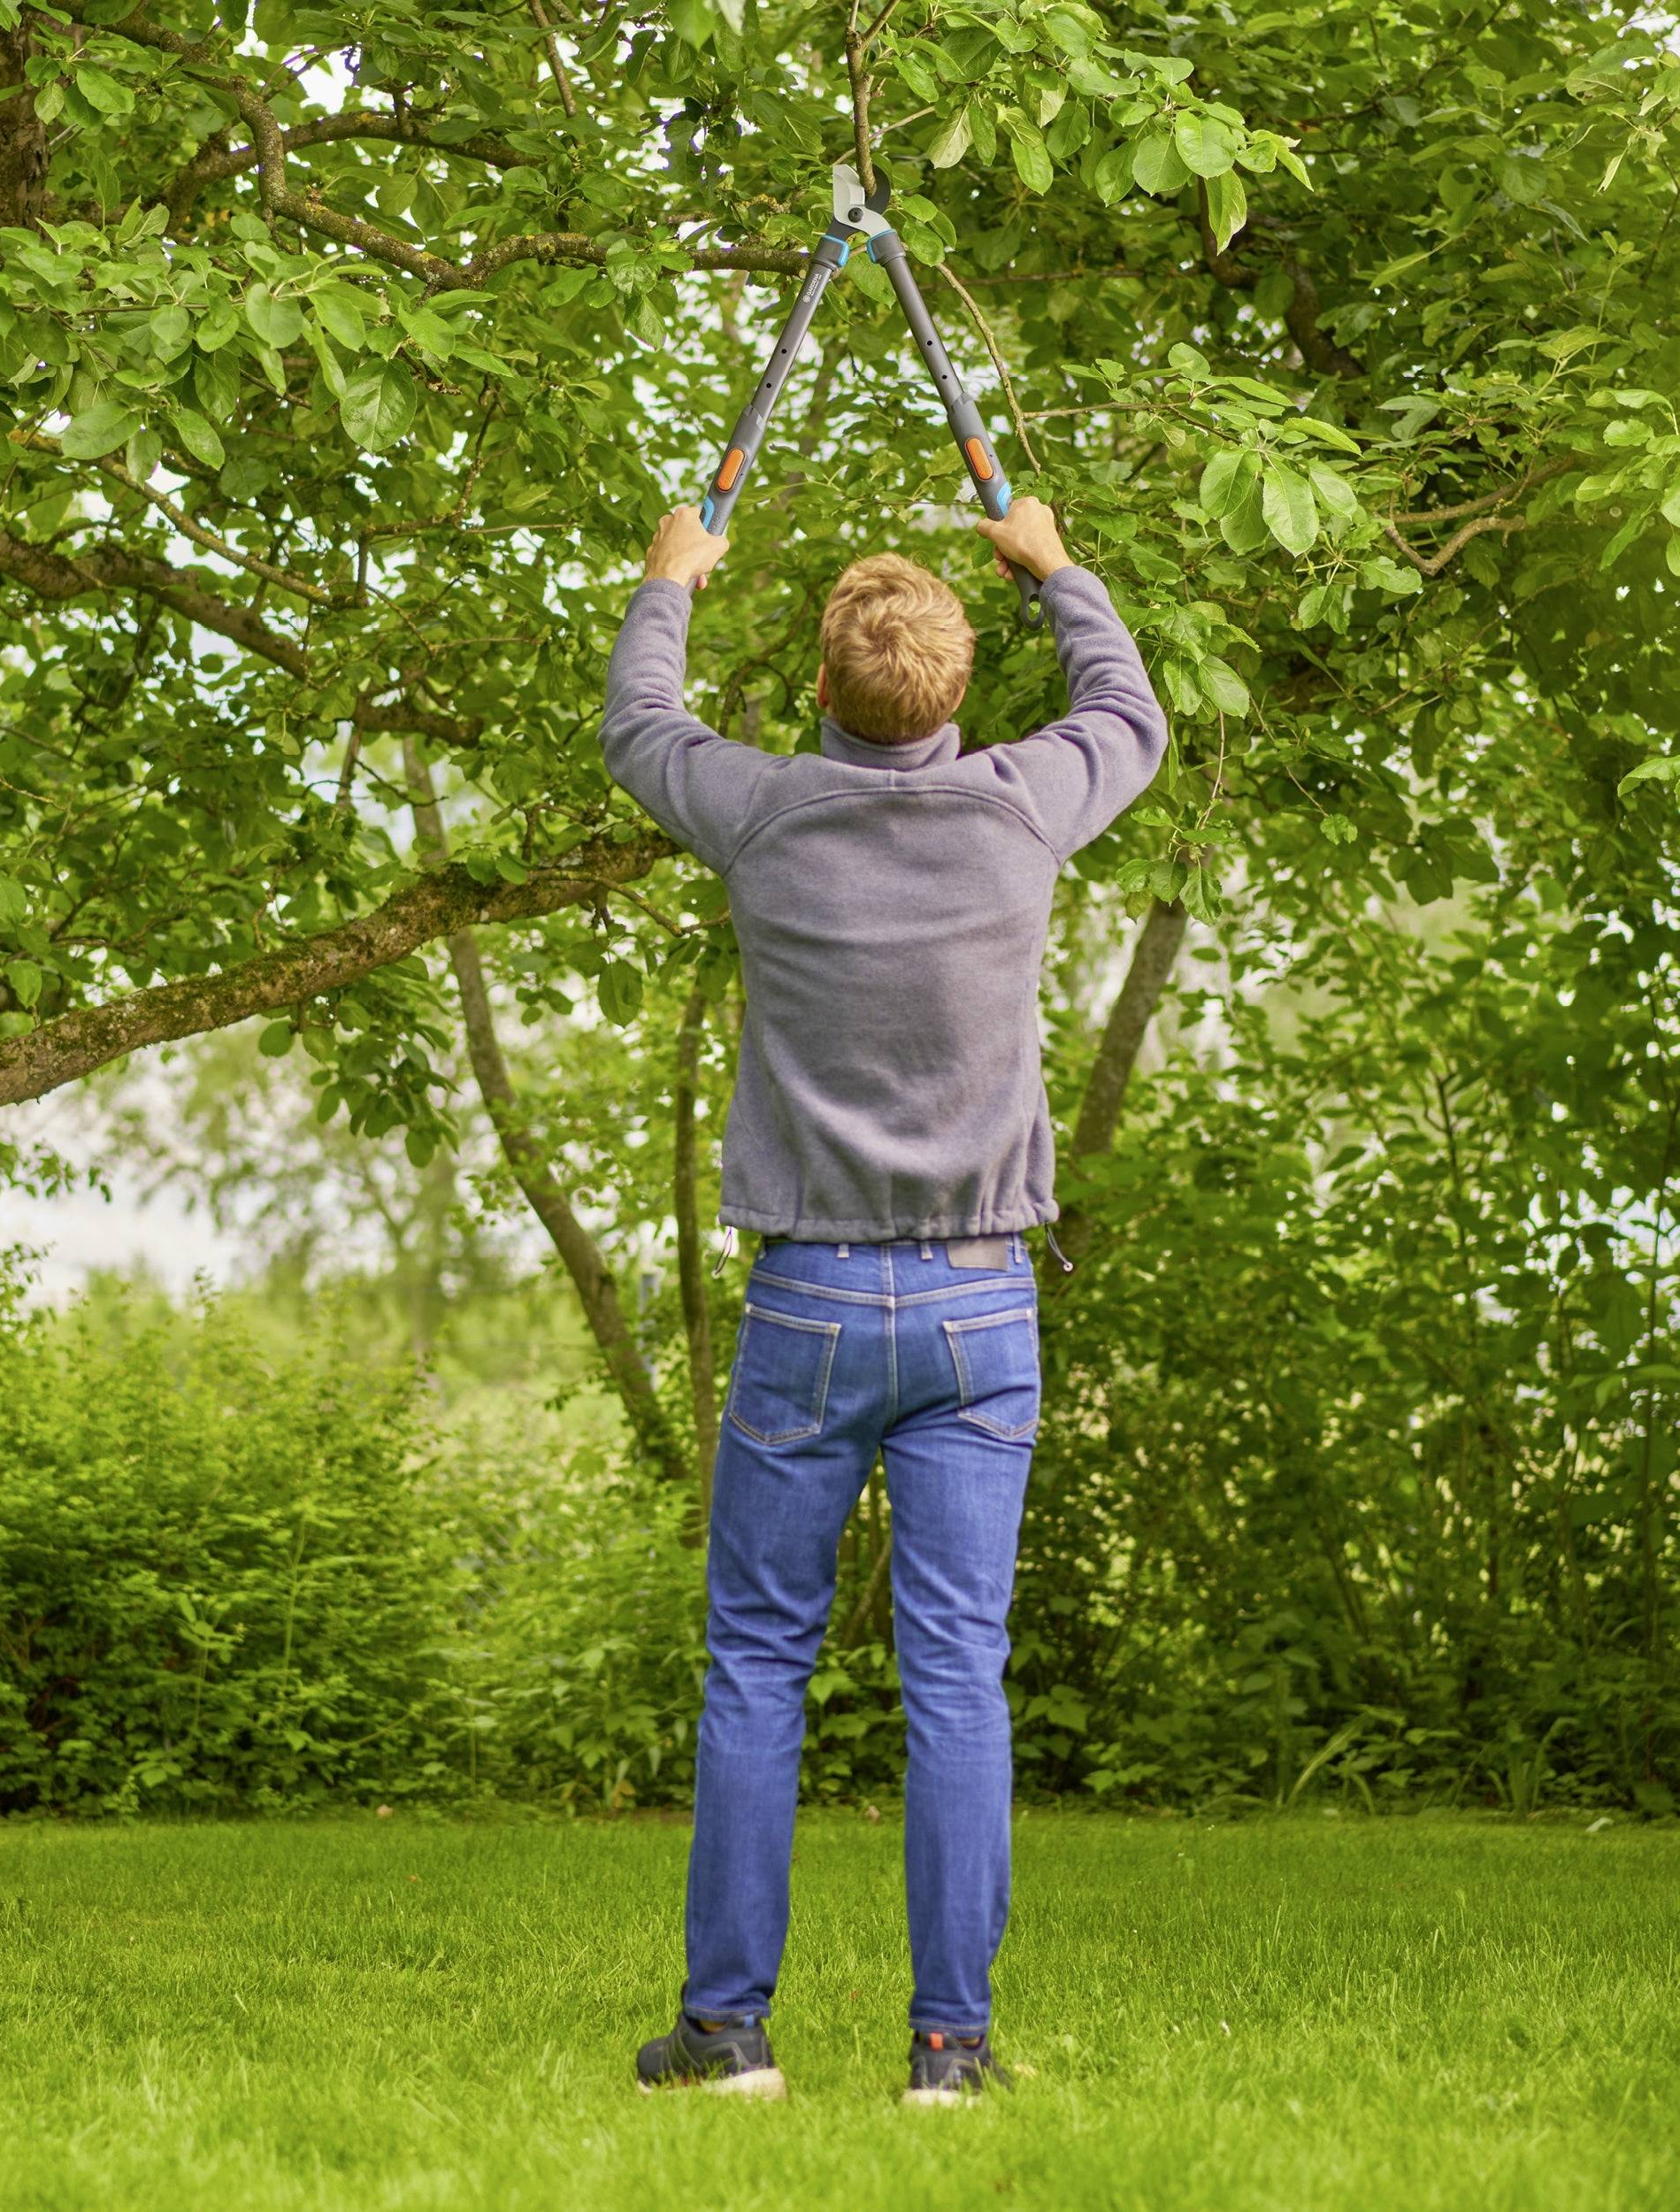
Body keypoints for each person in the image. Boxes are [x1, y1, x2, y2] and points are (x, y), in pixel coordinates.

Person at [605, 497, 1167, 2107]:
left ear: (828, 689)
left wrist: (670, 581)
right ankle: (951, 2051)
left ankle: (725, 2040)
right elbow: (1128, 707)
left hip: (813, 1306)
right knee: (956, 1674)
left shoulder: (767, 814)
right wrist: (1053, 564)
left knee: (757, 1667)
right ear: (957, 686)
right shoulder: (1019, 809)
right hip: (982, 1307)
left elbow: (641, 722)